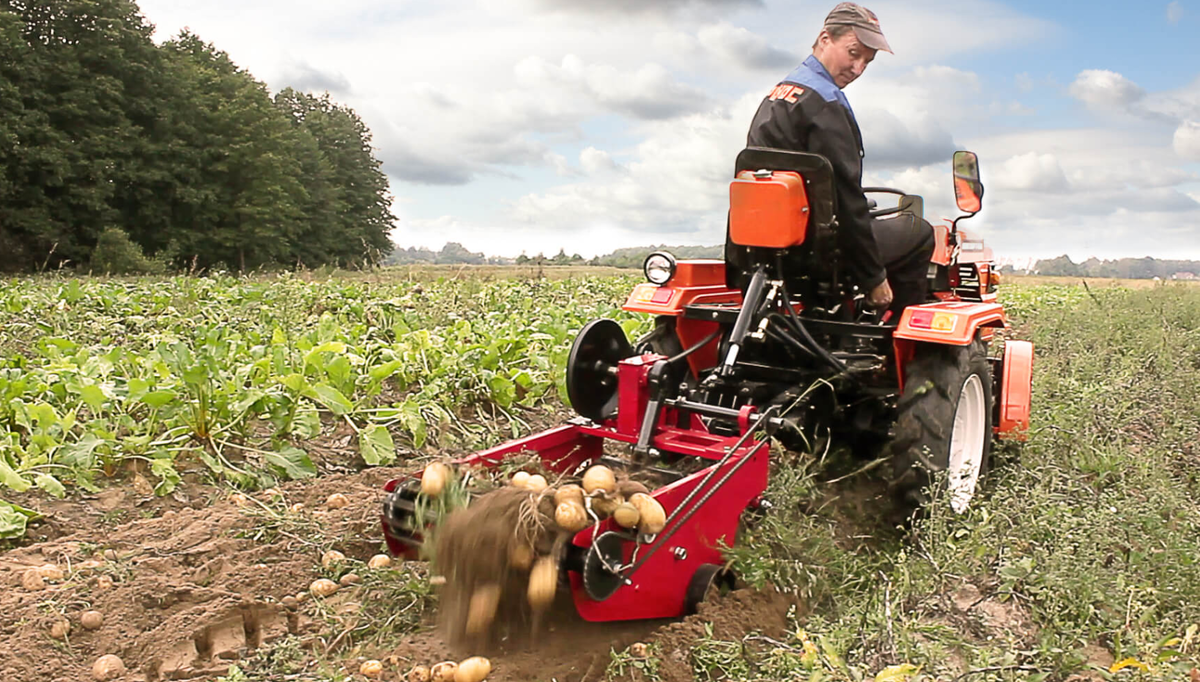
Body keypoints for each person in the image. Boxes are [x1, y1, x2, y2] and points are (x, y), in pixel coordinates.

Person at [745, 2, 935, 316]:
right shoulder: (826, 103)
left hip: (768, 249)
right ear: (824, 39)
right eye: (853, 53)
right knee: (919, 230)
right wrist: (874, 277)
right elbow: (846, 199)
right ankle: (900, 338)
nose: (858, 68)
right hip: (820, 251)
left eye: (867, 61)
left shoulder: (778, 95)